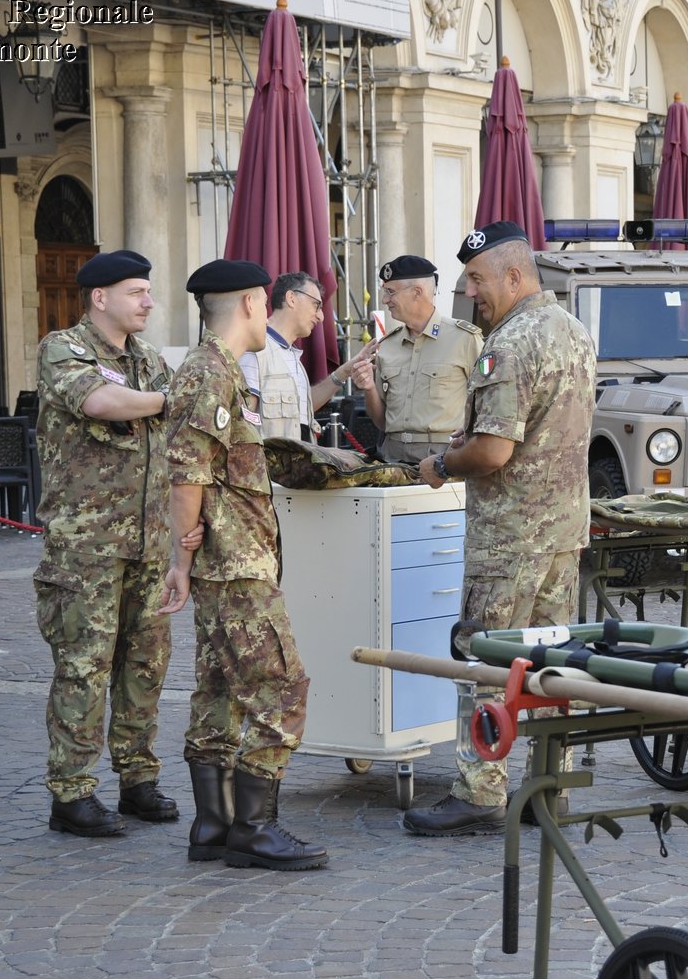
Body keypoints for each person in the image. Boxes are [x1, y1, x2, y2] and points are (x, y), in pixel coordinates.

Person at [401, 221, 597, 837]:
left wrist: (441, 464)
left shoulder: (507, 344)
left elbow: (492, 455)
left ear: (514, 276)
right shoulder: (573, 330)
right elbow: (540, 427)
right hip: (563, 530)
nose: (470, 292)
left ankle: (479, 787)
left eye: (478, 279)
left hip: (509, 539)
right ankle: (550, 786)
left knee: (487, 659)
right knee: (552, 662)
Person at [159, 258, 327, 870]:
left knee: (220, 690)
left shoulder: (222, 370)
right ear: (253, 303)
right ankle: (256, 826)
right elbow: (187, 474)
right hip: (234, 565)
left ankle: (215, 824)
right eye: (263, 300)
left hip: (233, 559)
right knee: (282, 684)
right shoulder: (210, 372)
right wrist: (181, 557)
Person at [35, 249, 179, 838]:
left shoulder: (147, 360)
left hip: (147, 542)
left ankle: (137, 779)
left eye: (148, 291)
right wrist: (171, 403)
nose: (148, 301)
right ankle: (71, 793)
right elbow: (99, 401)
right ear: (100, 298)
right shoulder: (63, 348)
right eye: (136, 292)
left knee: (145, 667)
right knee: (85, 668)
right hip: (86, 546)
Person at [349, 254, 483, 463]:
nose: (385, 300)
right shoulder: (386, 345)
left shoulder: (464, 339)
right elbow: (382, 421)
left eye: (390, 292)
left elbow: (486, 405)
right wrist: (368, 388)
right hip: (392, 457)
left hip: (443, 457)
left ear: (417, 292)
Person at [238, 271, 370, 441]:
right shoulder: (255, 352)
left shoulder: (291, 356)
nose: (321, 316)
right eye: (316, 305)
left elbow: (301, 410)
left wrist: (344, 372)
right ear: (291, 298)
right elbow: (244, 426)